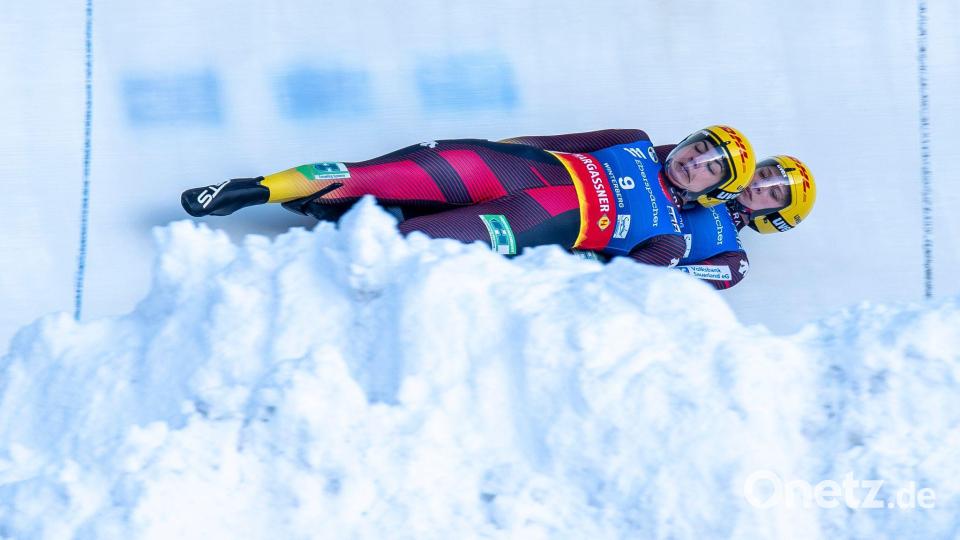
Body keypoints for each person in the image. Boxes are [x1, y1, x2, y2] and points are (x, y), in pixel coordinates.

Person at [182, 126, 756, 276]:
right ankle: (253, 189)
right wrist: (491, 148)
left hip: (530, 222)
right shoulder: (633, 141)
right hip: (505, 168)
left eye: (711, 167)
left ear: (716, 190)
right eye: (698, 147)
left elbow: (612, 281)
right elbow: (550, 143)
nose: (695, 161)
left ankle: (324, 242)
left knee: (413, 245)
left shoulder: (670, 237)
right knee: (374, 174)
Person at [672, 155, 817, 288]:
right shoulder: (703, 171)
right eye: (763, 174)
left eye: (773, 193)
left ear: (776, 215)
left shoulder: (736, 262)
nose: (760, 186)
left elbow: (673, 282)